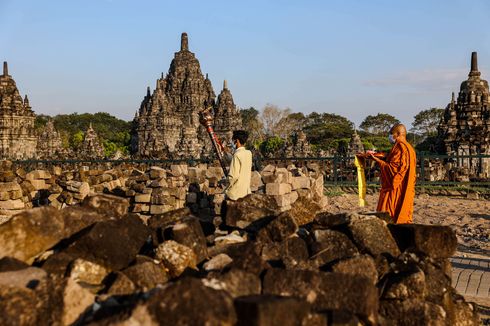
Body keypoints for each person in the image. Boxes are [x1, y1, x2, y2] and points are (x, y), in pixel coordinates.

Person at [369, 123, 416, 224]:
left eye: (391, 133)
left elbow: (393, 170)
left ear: (398, 134)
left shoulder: (401, 148)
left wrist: (378, 161)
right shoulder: (409, 148)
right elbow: (395, 163)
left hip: (395, 187)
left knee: (388, 213)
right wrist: (383, 157)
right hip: (405, 186)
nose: (389, 136)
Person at [224, 130, 252, 200]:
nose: (232, 143)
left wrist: (227, 185)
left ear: (237, 141)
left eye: (233, 141)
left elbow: (233, 176)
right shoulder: (249, 153)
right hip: (246, 192)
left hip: (236, 194)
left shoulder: (237, 155)